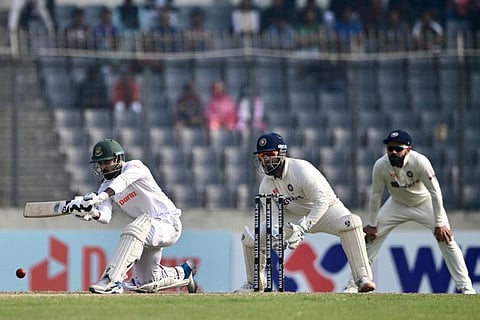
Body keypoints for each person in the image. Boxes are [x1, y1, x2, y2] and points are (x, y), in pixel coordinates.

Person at [235, 132, 376, 293]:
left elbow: (321, 201)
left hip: (326, 211)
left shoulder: (301, 170)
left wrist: (304, 228)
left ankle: (362, 278)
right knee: (252, 238)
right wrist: (275, 235)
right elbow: (273, 217)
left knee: (352, 222)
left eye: (269, 154)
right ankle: (254, 284)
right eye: (262, 156)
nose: (265, 160)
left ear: (282, 153)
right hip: (292, 217)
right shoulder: (265, 185)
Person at [343, 129, 476, 294]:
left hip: (423, 203)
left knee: (447, 240)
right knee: (370, 239)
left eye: (398, 149)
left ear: (408, 149)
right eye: (390, 148)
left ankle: (466, 287)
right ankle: (353, 285)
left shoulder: (420, 162)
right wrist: (372, 223)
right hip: (396, 204)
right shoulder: (381, 165)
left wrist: (440, 223)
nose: (393, 152)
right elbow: (376, 195)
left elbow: (435, 192)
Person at [63, 138, 197, 294]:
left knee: (135, 228)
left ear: (119, 159)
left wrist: (100, 198)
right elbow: (105, 216)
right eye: (100, 164)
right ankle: (184, 273)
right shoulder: (105, 186)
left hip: (168, 224)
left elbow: (122, 182)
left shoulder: (135, 167)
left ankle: (112, 281)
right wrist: (92, 212)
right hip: (146, 233)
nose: (103, 167)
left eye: (107, 162)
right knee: (146, 283)